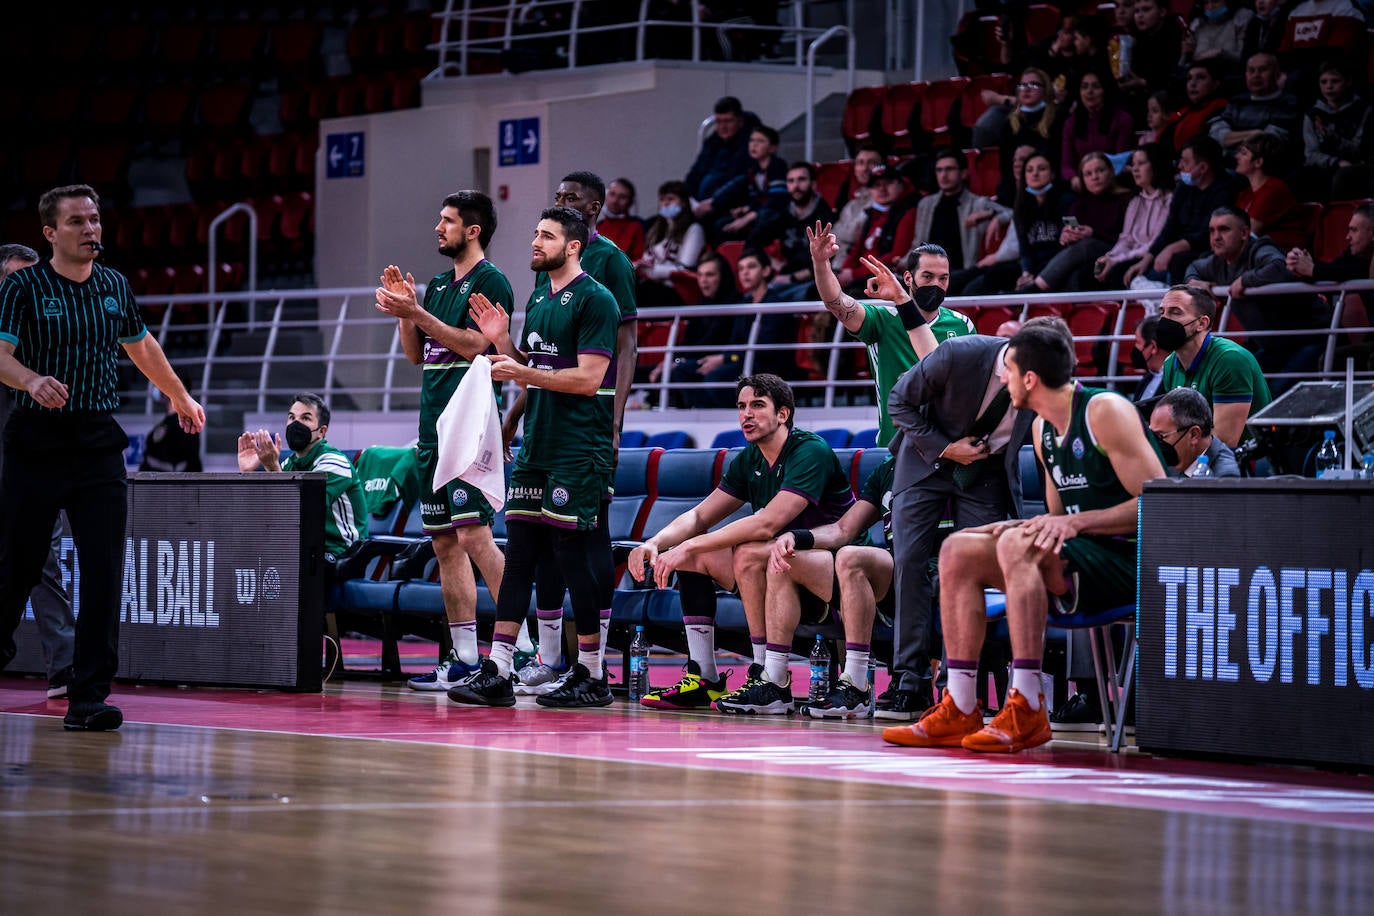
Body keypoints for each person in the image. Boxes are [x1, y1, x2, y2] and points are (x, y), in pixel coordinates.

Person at [885, 318, 1166, 753]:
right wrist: (1017, 525)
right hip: (1076, 555)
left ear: (1029, 378)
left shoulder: (1105, 411)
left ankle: (1028, 702)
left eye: (1009, 371)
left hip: (1130, 560)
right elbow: (1055, 520)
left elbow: (1160, 505)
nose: (1002, 376)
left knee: (1017, 545)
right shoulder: (1040, 428)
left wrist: (1075, 523)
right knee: (960, 547)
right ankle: (959, 703)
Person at [0, 184, 205, 732]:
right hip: (36, 441)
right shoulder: (23, 286)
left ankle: (88, 696)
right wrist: (31, 379)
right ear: (50, 233)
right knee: (17, 568)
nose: (91, 230)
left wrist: (178, 394)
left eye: (94, 220)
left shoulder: (113, 285)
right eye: (77, 222)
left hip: (96, 442)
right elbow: (0, 354)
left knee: (104, 571)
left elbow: (141, 346)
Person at [452, 206, 622, 709]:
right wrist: (504, 343)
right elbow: (535, 368)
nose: (535, 241)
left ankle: (592, 673)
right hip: (536, 445)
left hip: (578, 448)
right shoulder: (539, 298)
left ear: (573, 246)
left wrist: (521, 374)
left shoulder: (596, 299)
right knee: (520, 554)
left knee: (572, 557)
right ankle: (499, 668)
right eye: (534, 234)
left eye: (546, 236)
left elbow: (589, 379)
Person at [627, 374, 856, 711]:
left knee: (744, 551)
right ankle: (704, 677)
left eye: (758, 406)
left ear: (783, 414)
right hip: (779, 568)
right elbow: (699, 516)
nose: (747, 414)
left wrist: (690, 545)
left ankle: (768, 677)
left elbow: (767, 524)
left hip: (833, 575)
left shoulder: (810, 451)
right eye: (742, 406)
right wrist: (655, 543)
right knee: (696, 555)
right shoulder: (749, 459)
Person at [373, 190, 512, 692]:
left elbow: (479, 345)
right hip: (432, 428)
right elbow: (417, 354)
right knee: (445, 542)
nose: (438, 227)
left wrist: (422, 313)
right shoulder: (436, 283)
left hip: (469, 425)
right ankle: (465, 659)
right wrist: (407, 312)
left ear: (472, 231)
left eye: (447, 221)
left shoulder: (491, 280)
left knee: (475, 535)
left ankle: (524, 650)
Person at [510, 171, 639, 694]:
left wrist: (616, 418)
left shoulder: (608, 263)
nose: (563, 203)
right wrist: (516, 413)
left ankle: (594, 663)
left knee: (585, 541)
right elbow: (540, 356)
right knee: (539, 546)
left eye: (573, 200)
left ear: (597, 208)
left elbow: (627, 345)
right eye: (559, 197)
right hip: (546, 422)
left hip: (587, 422)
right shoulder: (546, 271)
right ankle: (548, 657)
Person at [880, 319, 1039, 720]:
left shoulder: (1044, 376)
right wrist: (947, 448)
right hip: (926, 459)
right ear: (1009, 365)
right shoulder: (958, 352)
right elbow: (899, 401)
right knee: (910, 562)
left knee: (970, 567)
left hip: (985, 473)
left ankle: (956, 685)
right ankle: (908, 681)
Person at [807, 226, 966, 448]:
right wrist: (821, 263)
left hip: (947, 447)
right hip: (895, 447)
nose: (936, 285)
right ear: (908, 278)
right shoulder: (881, 319)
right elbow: (836, 302)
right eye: (928, 276)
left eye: (943, 278)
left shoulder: (962, 324)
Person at [767, 453, 898, 718]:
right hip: (896, 569)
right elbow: (842, 530)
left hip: (930, 567)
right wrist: (797, 537)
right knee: (784, 557)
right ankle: (774, 680)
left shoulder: (951, 461)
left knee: (851, 556)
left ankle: (857, 684)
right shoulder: (888, 467)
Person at [0, 242, 75, 701]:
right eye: (14, 280)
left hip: (33, 473)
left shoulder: (49, 340)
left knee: (44, 569)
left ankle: (65, 669)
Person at [1184, 206, 1322, 378]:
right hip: (1272, 347)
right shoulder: (1217, 261)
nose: (1216, 237)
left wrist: (1244, 280)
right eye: (1212, 231)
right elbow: (1193, 268)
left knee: (1274, 393)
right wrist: (1194, 282)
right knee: (1241, 384)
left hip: (1310, 339)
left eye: (1224, 229)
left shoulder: (1260, 248)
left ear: (1244, 233)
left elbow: (1279, 266)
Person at [238, 392, 370, 561]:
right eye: (292, 418)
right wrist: (247, 474)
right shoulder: (289, 464)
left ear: (321, 432)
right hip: (305, 548)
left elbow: (303, 513)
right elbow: (265, 514)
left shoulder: (335, 463)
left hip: (341, 554)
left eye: (305, 418)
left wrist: (272, 467)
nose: (296, 424)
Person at [1156, 284, 1272, 448]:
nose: (1164, 320)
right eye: (1162, 312)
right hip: (1196, 458)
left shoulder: (1230, 360)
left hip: (1245, 464)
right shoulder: (1170, 363)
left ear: (1201, 323)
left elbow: (1226, 441)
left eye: (1175, 312)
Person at [1136, 136, 1242, 285]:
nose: (1180, 166)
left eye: (1185, 162)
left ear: (1203, 168)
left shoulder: (1225, 190)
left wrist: (1172, 249)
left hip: (1207, 251)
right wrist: (1146, 259)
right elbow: (1170, 227)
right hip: (1178, 250)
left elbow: (1209, 233)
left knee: (1178, 261)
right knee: (1131, 271)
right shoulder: (1184, 187)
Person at [1031, 151, 1130, 292]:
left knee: (1088, 244)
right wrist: (1066, 238)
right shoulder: (1078, 205)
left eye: (1100, 171)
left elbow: (1130, 238)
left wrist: (1093, 233)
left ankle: (1035, 288)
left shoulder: (1126, 199)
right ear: (1082, 179)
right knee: (1075, 275)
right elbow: (1071, 249)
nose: (1095, 177)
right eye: (1088, 174)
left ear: (1112, 171)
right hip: (1084, 258)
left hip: (1114, 251)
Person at [662, 254, 751, 407]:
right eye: (700, 275)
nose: (703, 280)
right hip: (698, 360)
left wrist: (680, 361)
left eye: (710, 275)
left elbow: (711, 339)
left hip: (731, 361)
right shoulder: (700, 305)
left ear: (722, 277)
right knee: (648, 370)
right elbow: (687, 343)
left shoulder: (736, 303)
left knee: (681, 371)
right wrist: (674, 360)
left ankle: (702, 414)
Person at [912, 149, 1009, 278]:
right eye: (939, 170)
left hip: (963, 272)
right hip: (928, 273)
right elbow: (918, 242)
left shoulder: (977, 203)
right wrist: (903, 262)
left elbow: (1011, 213)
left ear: (963, 173)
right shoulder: (926, 204)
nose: (943, 175)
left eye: (949, 169)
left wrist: (992, 215)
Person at [1286, 202, 1374, 341]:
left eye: (1354, 230)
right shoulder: (1354, 255)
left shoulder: (1362, 261)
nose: (1347, 236)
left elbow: (1354, 271)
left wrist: (1312, 269)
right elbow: (1334, 270)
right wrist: (1300, 264)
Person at [749, 162, 834, 301]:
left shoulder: (827, 218)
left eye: (802, 180)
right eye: (791, 181)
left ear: (813, 184)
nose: (796, 186)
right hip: (786, 280)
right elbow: (753, 241)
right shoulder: (784, 215)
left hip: (815, 281)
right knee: (750, 297)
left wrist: (791, 277)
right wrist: (772, 262)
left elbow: (828, 261)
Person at [1094, 144, 1174, 289]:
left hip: (1151, 257)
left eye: (1141, 163)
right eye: (1133, 165)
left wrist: (1117, 260)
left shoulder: (1169, 200)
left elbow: (1155, 243)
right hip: (1130, 257)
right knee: (1092, 271)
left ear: (1156, 165)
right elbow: (1126, 239)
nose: (1135, 169)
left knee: (1117, 273)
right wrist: (1110, 257)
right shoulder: (1135, 202)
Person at [1300, 59, 1374, 201]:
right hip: (1327, 165)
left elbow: (1359, 149)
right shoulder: (1313, 114)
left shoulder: (1363, 110)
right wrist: (1336, 162)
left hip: (1357, 164)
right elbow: (1310, 154)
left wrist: (1333, 138)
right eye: (1324, 82)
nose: (1329, 87)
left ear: (1348, 82)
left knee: (1344, 176)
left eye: (1335, 81)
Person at [1208, 52, 1301, 155]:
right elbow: (1216, 133)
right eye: (1251, 71)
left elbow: (1269, 141)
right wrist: (1254, 133)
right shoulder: (1237, 101)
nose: (1256, 75)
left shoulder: (1288, 102)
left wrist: (1230, 139)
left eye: (1263, 69)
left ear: (1277, 74)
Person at [1059, 66, 1135, 186]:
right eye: (1084, 87)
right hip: (1081, 184)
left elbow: (1120, 162)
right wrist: (1074, 179)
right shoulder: (1071, 123)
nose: (1089, 91)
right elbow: (1066, 165)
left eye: (1096, 86)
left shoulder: (1122, 120)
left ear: (1105, 90)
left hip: (1113, 183)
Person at [710, 125, 789, 240]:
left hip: (772, 215)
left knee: (763, 218)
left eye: (760, 141)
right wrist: (746, 208)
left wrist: (747, 218)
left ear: (772, 148)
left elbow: (776, 201)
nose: (754, 145)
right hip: (758, 212)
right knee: (721, 224)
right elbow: (757, 199)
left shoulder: (778, 167)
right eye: (752, 140)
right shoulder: (753, 169)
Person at [636, 180, 707, 306]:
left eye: (671, 199)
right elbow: (647, 260)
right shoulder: (655, 229)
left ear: (684, 203)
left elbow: (684, 269)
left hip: (678, 291)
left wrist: (653, 270)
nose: (665, 203)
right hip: (652, 286)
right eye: (662, 199)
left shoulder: (694, 229)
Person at [1150, 386, 1242, 476]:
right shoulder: (1169, 466)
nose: (1156, 444)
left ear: (1194, 435)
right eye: (1153, 435)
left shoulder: (1224, 478)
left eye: (1161, 436)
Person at [1234, 133, 1302, 249]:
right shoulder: (1245, 194)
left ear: (1258, 162)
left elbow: (1248, 234)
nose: (1236, 156)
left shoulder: (1274, 189)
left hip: (1280, 256)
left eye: (1244, 153)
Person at [685, 95, 754, 208]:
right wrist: (687, 198)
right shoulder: (712, 143)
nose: (722, 127)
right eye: (718, 121)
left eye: (727, 121)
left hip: (727, 205)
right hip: (698, 204)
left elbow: (740, 181)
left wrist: (714, 202)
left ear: (740, 122)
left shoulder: (750, 146)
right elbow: (695, 172)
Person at [1159, 60, 1230, 153]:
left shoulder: (1222, 108)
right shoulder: (1183, 111)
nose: (1192, 84)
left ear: (1216, 84)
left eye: (1200, 78)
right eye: (1189, 78)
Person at [831, 146, 883, 269]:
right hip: (837, 265)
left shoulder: (883, 199)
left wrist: (844, 237)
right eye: (860, 163)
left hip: (860, 269)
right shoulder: (852, 204)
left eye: (872, 163)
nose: (865, 168)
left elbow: (853, 235)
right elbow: (832, 238)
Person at [597, 177, 646, 262]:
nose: (615, 201)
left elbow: (638, 260)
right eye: (612, 194)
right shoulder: (597, 226)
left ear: (630, 202)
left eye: (622, 197)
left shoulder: (637, 226)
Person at [1131, 315, 1167, 401]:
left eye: (1138, 342)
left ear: (1153, 347)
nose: (1135, 347)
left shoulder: (1175, 384)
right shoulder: (1146, 379)